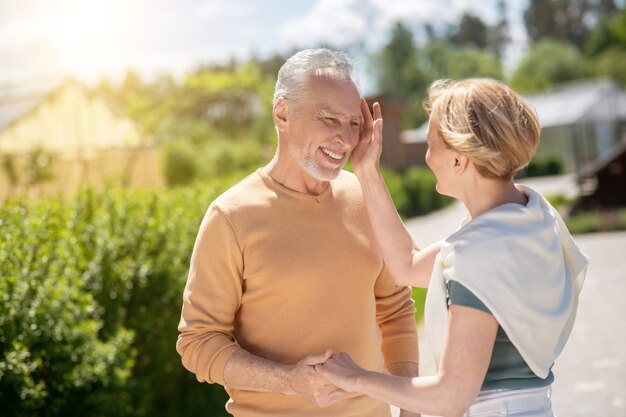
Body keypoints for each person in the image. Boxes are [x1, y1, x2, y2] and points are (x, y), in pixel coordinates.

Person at [315, 78, 589, 417]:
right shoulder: (532, 216)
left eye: (431, 145)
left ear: (459, 160)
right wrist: (368, 170)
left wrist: (356, 377)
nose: (427, 158)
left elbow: (450, 398)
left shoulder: (479, 251)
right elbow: (407, 266)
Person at [175, 48, 420, 417]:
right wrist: (289, 379)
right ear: (282, 113)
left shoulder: (365, 195)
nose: (345, 138)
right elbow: (198, 343)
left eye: (354, 123)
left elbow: (396, 308)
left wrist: (411, 407)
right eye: (329, 118)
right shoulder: (230, 217)